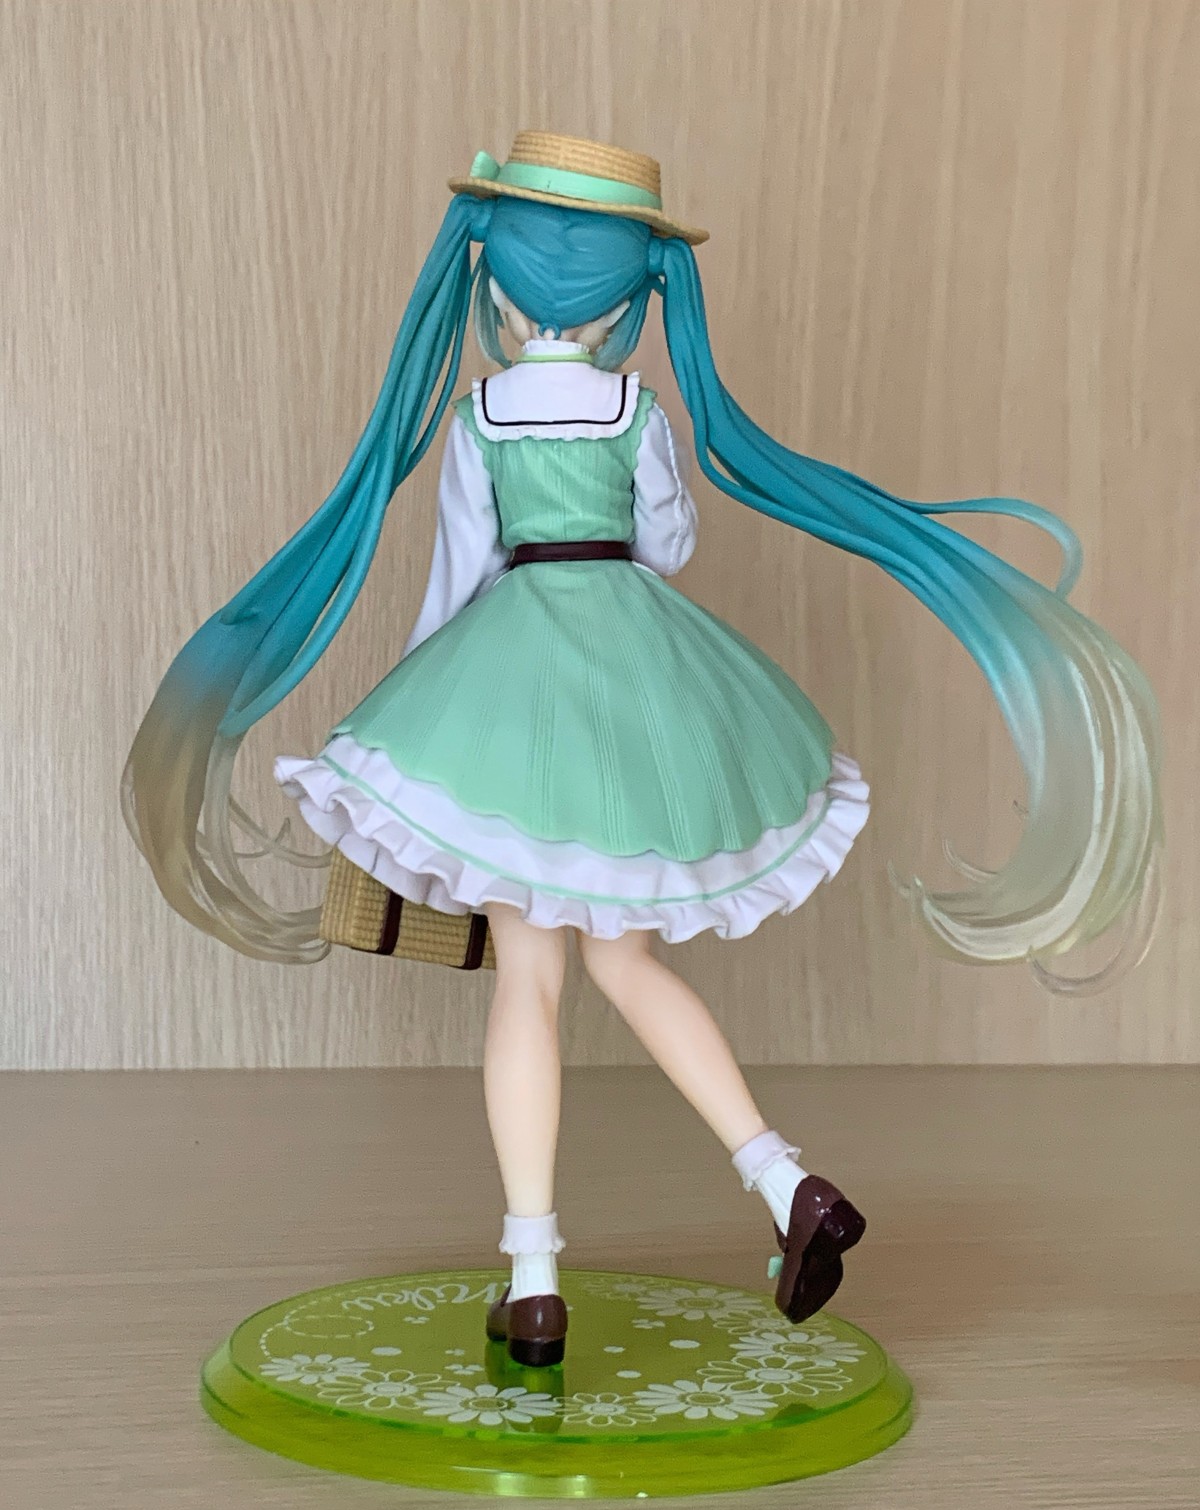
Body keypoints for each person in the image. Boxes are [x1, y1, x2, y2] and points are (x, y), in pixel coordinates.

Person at [121, 132, 1163, 1368]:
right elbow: (667, 546)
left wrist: (419, 729)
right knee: (629, 963)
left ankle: (534, 1277)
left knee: (529, 982)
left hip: (509, 683)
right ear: (628, 301)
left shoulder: (480, 415)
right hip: (637, 676)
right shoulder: (639, 411)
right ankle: (785, 1183)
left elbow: (456, 580)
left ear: (500, 291)